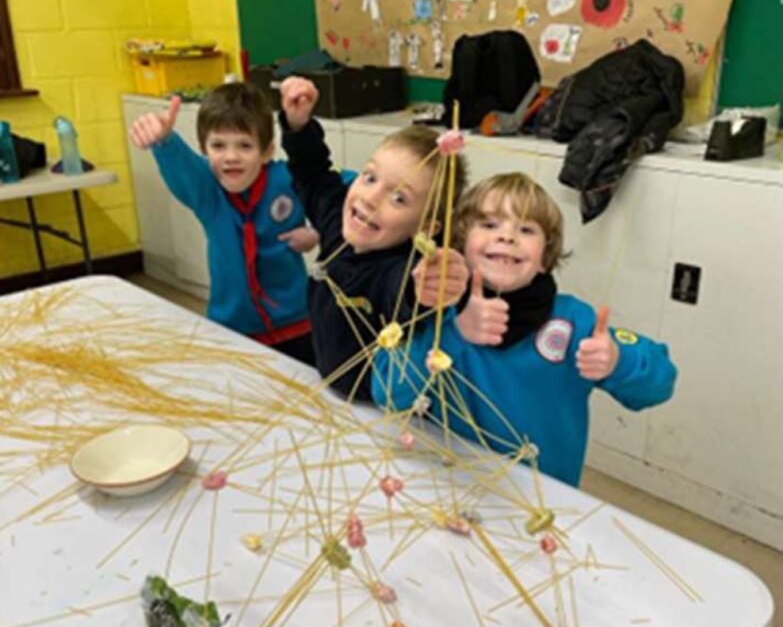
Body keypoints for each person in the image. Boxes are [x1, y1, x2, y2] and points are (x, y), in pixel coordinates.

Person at [372, 172, 677, 486]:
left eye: (527, 229)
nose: (507, 236)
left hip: (541, 500)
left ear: (545, 257)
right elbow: (388, 395)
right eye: (489, 224)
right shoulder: (438, 313)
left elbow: (658, 385)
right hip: (447, 486)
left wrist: (617, 361)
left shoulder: (574, 322)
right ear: (461, 245)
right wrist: (456, 334)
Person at [279, 75, 469, 401]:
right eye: (369, 177)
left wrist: (427, 286)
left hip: (379, 413)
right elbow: (313, 173)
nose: (370, 198)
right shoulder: (338, 223)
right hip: (326, 388)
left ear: (427, 228)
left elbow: (405, 290)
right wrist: (298, 126)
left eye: (399, 198)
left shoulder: (398, 268)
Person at [129, 82, 316, 364]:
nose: (231, 157)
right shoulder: (209, 191)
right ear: (205, 150)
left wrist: (318, 234)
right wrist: (164, 140)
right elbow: (184, 169)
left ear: (267, 151)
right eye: (218, 145)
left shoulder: (286, 180)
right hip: (233, 330)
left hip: (298, 324)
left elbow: (344, 197)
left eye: (244, 145)